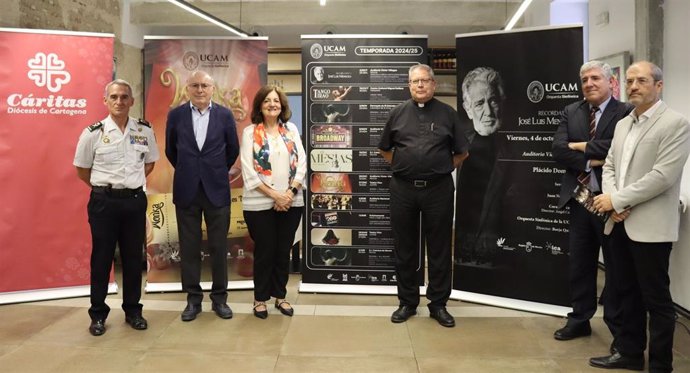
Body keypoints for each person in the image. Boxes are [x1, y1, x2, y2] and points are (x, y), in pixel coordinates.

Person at [590, 61, 690, 372]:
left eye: (642, 80)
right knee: (624, 293)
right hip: (619, 223)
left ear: (658, 86)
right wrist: (613, 203)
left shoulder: (676, 124)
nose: (634, 86)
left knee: (656, 301)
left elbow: (662, 176)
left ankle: (661, 365)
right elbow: (609, 167)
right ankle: (629, 354)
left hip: (651, 228)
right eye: (630, 81)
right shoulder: (623, 124)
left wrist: (616, 199)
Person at [378, 64, 469, 327]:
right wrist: (403, 166)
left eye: (425, 81)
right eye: (415, 81)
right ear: (409, 85)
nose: (420, 85)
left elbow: (462, 152)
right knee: (404, 248)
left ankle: (438, 304)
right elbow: (384, 149)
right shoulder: (397, 114)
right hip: (403, 189)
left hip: (438, 189)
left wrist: (440, 168)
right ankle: (407, 302)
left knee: (439, 248)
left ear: (434, 84)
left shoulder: (448, 114)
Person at [551, 61, 632, 344]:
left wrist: (579, 145)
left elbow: (619, 148)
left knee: (615, 266)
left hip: (610, 201)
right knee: (580, 264)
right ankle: (579, 319)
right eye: (584, 79)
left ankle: (618, 328)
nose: (589, 83)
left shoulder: (625, 111)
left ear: (611, 82)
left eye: (595, 78)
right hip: (580, 200)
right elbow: (558, 151)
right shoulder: (571, 111)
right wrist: (591, 158)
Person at [73, 79, 159, 336]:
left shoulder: (143, 130)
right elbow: (82, 169)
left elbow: (150, 163)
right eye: (114, 97)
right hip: (104, 203)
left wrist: (129, 185)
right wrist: (106, 189)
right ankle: (98, 314)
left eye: (124, 97)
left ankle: (133, 311)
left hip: (134, 201)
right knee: (101, 258)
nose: (119, 101)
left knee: (134, 258)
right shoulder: (93, 133)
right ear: (106, 101)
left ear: (132, 101)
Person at [165, 71, 240, 322]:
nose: (199, 90)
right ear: (187, 88)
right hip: (187, 189)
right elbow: (170, 150)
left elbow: (232, 150)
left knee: (219, 247)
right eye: (195, 85)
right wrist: (191, 170)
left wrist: (212, 170)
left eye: (204, 85)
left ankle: (220, 299)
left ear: (212, 88)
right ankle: (193, 300)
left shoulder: (225, 115)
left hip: (216, 189)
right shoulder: (175, 115)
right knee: (189, 247)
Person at [240, 85, 306, 319]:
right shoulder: (250, 133)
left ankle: (281, 296)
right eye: (267, 101)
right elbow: (248, 172)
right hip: (259, 203)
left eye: (276, 101)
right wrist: (275, 195)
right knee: (265, 251)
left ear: (282, 106)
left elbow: (302, 164)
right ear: (260, 105)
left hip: (291, 201)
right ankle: (260, 299)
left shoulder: (291, 129)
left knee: (282, 251)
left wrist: (289, 193)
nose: (272, 104)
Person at [455, 66, 506, 266]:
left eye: (492, 100)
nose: (487, 111)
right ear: (468, 109)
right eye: (478, 103)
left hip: (500, 258)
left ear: (501, 101)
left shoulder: (517, 151)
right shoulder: (457, 144)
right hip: (464, 254)